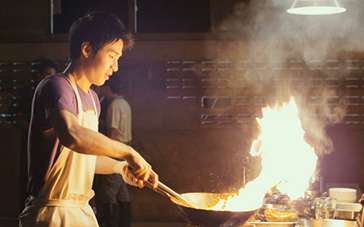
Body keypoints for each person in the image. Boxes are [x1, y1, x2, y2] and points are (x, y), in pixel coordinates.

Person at [18, 11, 158, 227]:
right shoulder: (56, 86)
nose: (116, 66)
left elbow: (84, 159)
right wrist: (128, 152)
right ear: (86, 49)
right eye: (112, 56)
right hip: (51, 214)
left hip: (81, 211)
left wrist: (120, 168)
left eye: (118, 59)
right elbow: (73, 135)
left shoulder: (93, 99)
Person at [93, 76, 132, 227]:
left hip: (115, 150)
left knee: (108, 192)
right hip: (125, 148)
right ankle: (125, 223)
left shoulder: (114, 105)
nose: (100, 90)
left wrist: (105, 151)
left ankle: (109, 223)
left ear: (108, 88)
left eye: (102, 87)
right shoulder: (125, 104)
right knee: (122, 191)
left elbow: (114, 132)